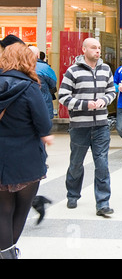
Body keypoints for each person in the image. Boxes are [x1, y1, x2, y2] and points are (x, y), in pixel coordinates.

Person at [0, 42, 54, 259]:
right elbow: (44, 124)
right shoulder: (30, 87)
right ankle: (10, 253)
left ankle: (5, 254)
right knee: (20, 212)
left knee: (2, 211)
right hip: (26, 159)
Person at [58, 38, 116, 216]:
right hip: (80, 126)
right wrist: (86, 105)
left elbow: (111, 91)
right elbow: (63, 97)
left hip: (101, 125)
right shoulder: (73, 71)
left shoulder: (106, 69)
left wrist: (104, 101)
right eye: (93, 48)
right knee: (76, 163)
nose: (97, 51)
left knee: (102, 164)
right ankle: (72, 194)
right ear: (84, 49)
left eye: (99, 48)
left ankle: (103, 203)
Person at [28, 46, 57, 119]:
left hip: (24, 105)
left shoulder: (18, 66)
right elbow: (53, 84)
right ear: (38, 55)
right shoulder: (45, 68)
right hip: (43, 103)